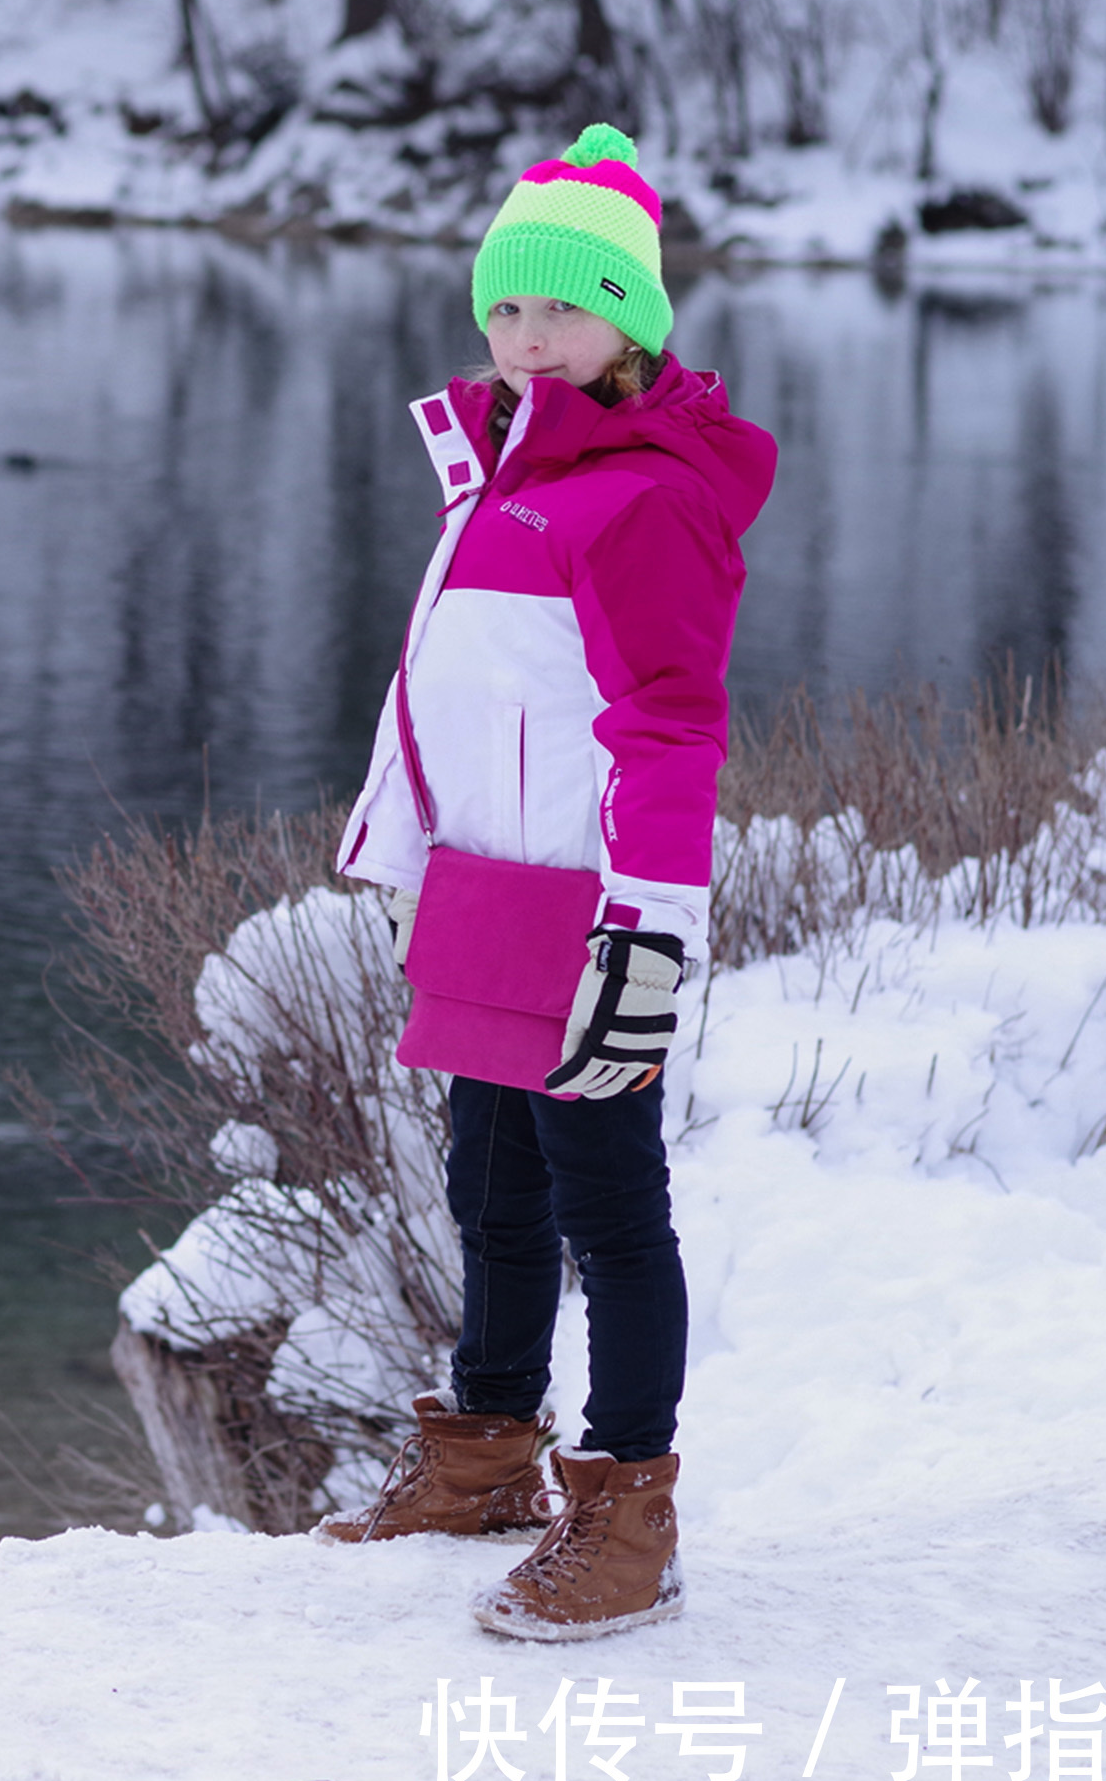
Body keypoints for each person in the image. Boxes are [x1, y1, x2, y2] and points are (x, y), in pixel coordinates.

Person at [314, 123, 775, 1642]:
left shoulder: (641, 496)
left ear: (630, 322)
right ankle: (486, 1457)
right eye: (506, 306)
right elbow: (438, 695)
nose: (526, 336)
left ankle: (630, 1518)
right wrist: (401, 858)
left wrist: (648, 932)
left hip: (590, 910)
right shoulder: (499, 479)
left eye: (563, 308)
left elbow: (668, 727)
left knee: (609, 1208)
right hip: (486, 897)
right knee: (492, 1191)